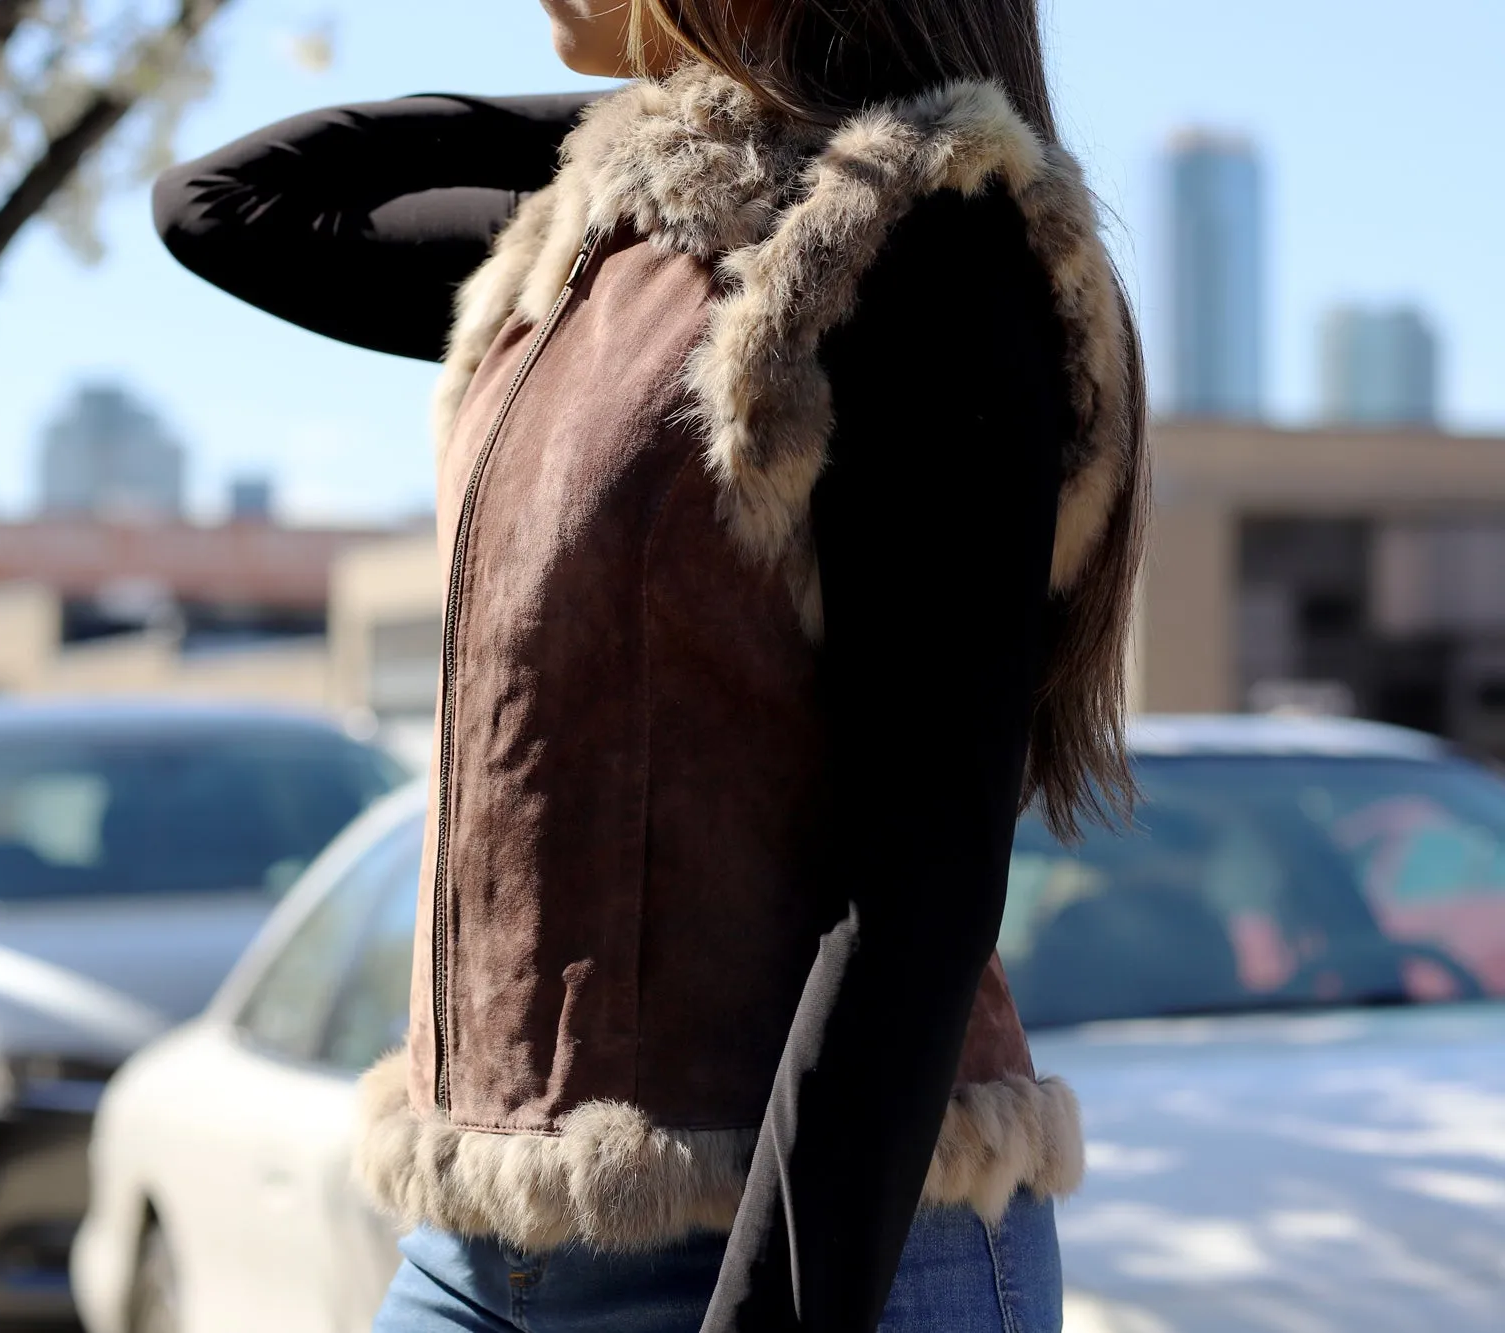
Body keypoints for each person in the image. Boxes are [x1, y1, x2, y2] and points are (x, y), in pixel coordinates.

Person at [151, 2, 1147, 1329]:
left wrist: (782, 114)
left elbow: (922, 879)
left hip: (798, 1246)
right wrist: (684, 119)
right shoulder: (598, 254)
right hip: (477, 1246)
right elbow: (221, 202)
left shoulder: (923, 242)